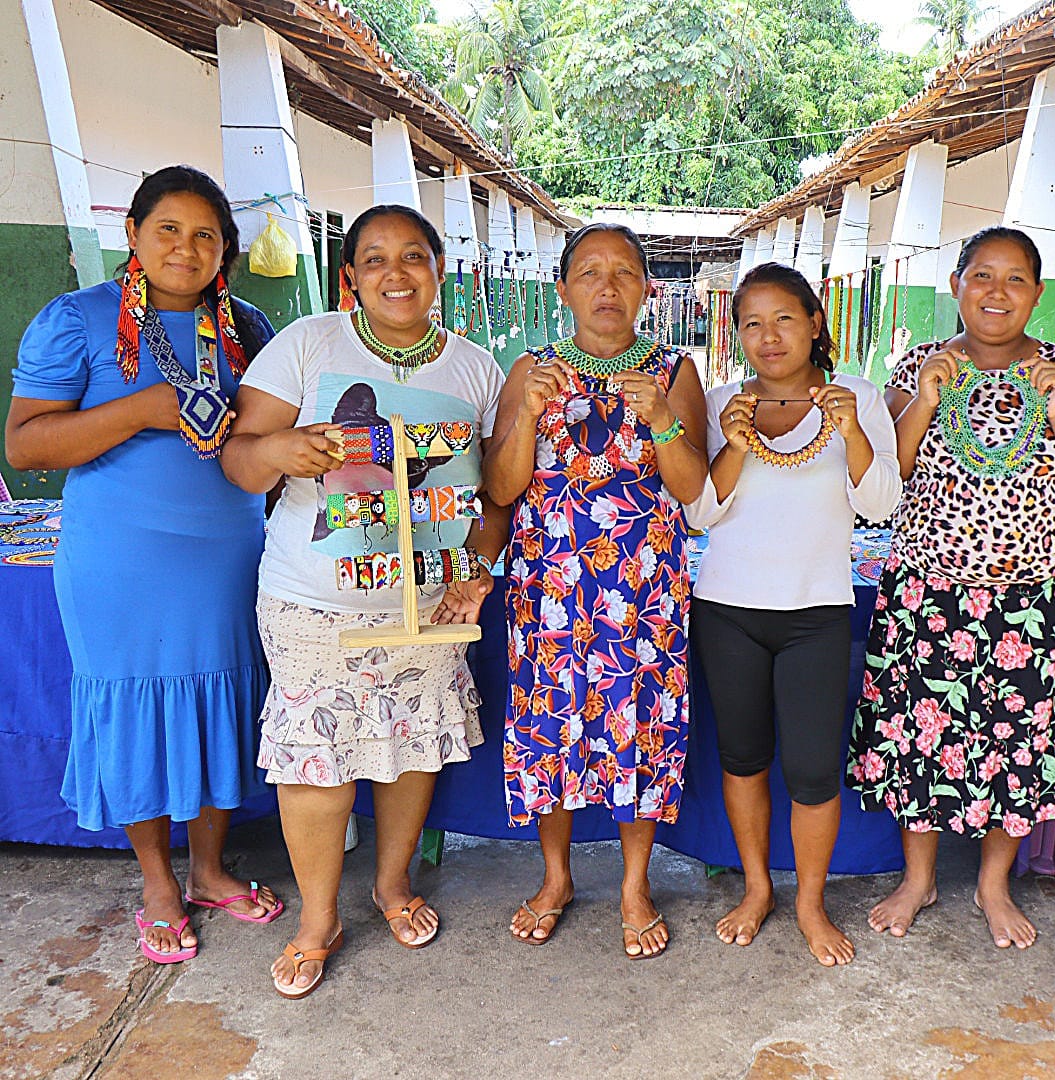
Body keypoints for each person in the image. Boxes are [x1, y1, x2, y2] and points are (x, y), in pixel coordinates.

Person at [221, 205, 507, 998]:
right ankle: (318, 920)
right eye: (374, 258)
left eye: (413, 256)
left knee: (410, 745)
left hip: (430, 602)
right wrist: (281, 449)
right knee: (317, 760)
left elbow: (495, 498)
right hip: (312, 600)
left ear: (439, 269)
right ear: (350, 276)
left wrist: (477, 565)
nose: (395, 273)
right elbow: (241, 464)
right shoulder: (308, 345)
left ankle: (391, 885)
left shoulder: (477, 370)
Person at [5, 165, 283, 964]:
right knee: (134, 708)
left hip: (228, 556)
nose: (186, 249)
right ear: (132, 234)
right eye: (168, 230)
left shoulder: (249, 329)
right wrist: (140, 411)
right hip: (120, 562)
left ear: (225, 250)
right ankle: (158, 881)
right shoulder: (79, 320)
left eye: (205, 235)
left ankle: (207, 869)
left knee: (221, 700)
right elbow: (24, 444)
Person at [848, 226, 1055, 948]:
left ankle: (991, 884)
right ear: (956, 286)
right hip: (929, 593)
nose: (997, 292)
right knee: (918, 737)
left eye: (1015, 280)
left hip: (1034, 598)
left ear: (1038, 294)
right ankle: (918, 880)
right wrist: (922, 395)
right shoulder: (921, 363)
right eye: (982, 276)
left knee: (1021, 746)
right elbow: (886, 477)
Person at [486, 223, 707, 958]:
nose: (606, 288)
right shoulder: (529, 369)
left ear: (649, 288)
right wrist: (528, 412)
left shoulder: (676, 371)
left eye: (623, 273)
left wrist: (663, 419)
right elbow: (503, 487)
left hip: (642, 588)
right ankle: (557, 877)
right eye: (588, 272)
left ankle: (635, 884)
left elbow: (692, 488)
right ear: (563, 289)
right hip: (551, 585)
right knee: (551, 723)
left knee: (638, 720)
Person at [686, 263, 901, 966]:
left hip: (815, 612)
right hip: (728, 609)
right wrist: (736, 443)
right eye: (752, 322)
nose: (768, 336)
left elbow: (880, 508)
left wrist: (853, 433)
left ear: (814, 321)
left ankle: (809, 902)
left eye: (784, 319)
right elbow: (700, 513)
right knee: (743, 759)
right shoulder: (723, 402)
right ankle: (756, 889)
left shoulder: (857, 398)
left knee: (813, 772)